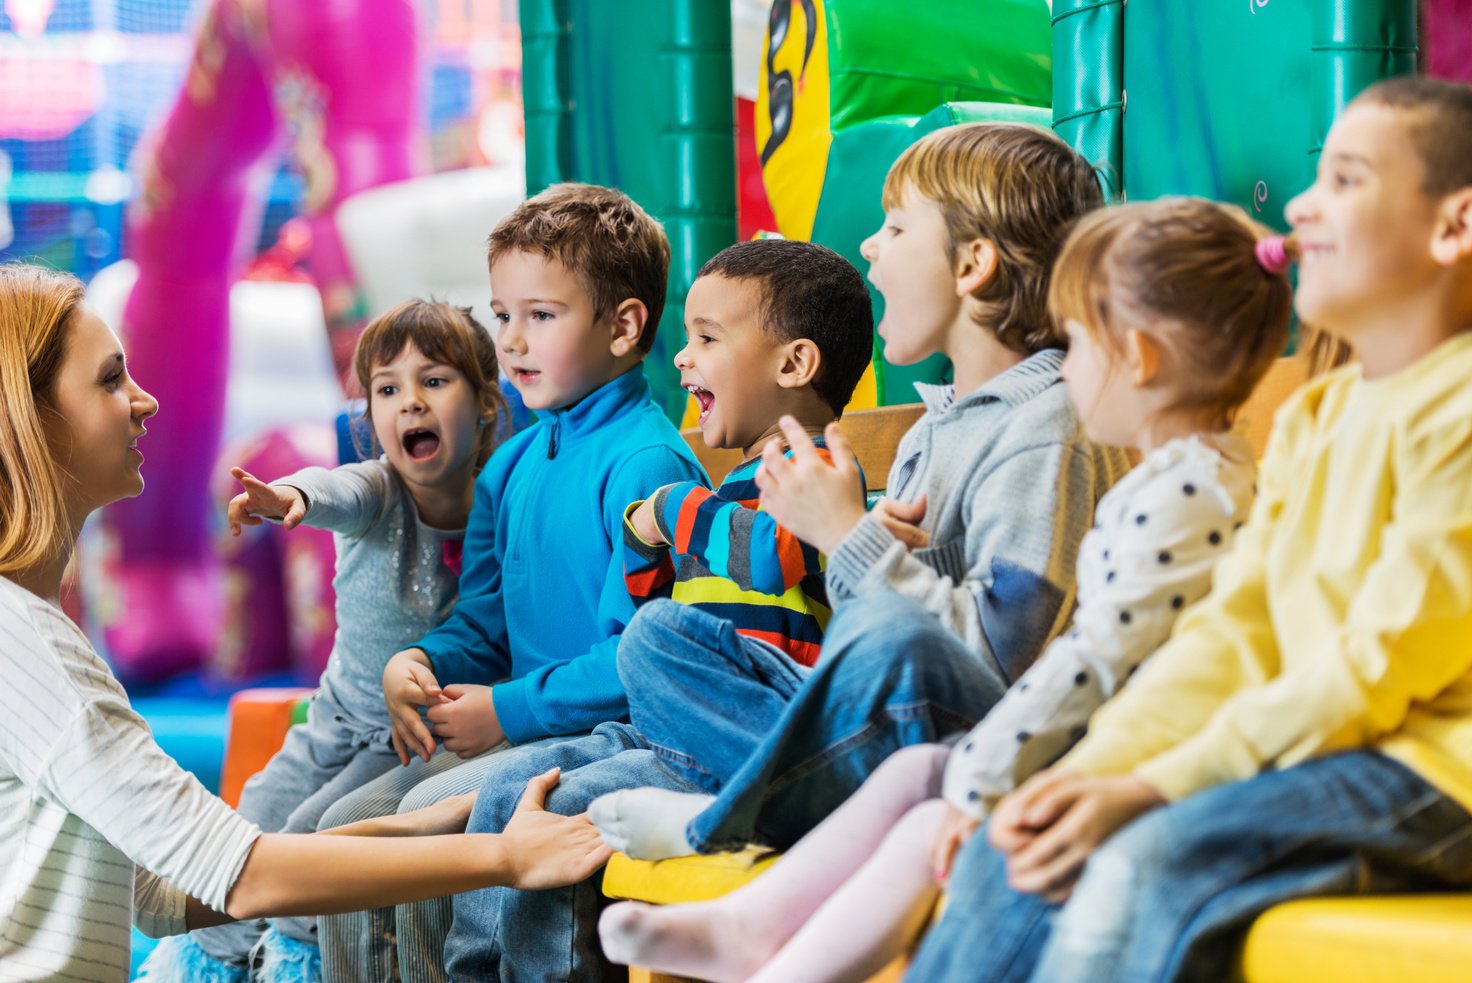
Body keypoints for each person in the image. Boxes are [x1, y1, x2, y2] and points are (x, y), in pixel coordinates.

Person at [441, 122, 1127, 983]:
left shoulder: (1046, 429)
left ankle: (741, 807)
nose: (871, 246)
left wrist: (848, 534)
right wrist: (861, 548)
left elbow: (990, 659)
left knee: (869, 647)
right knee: (650, 645)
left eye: (897, 226)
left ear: (973, 265)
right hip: (848, 721)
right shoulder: (935, 427)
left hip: (960, 739)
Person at [596, 196, 1293, 983]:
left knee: (896, 672)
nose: (1069, 365)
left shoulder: (1161, 480)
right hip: (1025, 729)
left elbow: (1062, 661)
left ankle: (724, 823)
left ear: (1140, 358)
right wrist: (888, 549)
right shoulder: (1138, 474)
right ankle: (752, 929)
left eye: (1082, 341)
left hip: (1086, 742)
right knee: (673, 641)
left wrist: (850, 540)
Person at [904, 75, 1472, 983]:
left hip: (1440, 772)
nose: (1300, 204)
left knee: (1139, 859)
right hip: (1332, 744)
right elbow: (1233, 630)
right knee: (1022, 843)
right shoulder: (1322, 413)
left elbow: (1382, 654)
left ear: (1455, 225)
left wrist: (1152, 785)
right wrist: (1080, 772)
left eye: (1347, 180)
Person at [0, 262, 611, 983]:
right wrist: (508, 853)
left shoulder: (33, 630)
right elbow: (240, 873)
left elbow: (160, 890)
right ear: (31, 419)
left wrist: (448, 816)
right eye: (109, 379)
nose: (145, 400)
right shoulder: (26, 644)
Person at [310, 182, 706, 980]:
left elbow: (640, 659)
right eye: (502, 315)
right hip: (523, 726)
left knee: (426, 821)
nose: (513, 341)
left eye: (542, 315)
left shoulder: (647, 464)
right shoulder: (513, 466)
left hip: (606, 737)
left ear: (625, 327)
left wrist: (505, 709)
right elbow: (483, 621)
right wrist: (420, 663)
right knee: (341, 832)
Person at [136, 299, 506, 979]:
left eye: (435, 381)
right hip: (334, 720)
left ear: (485, 403)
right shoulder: (379, 488)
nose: (410, 403)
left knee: (312, 835)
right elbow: (333, 488)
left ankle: (295, 960)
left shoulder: (498, 505)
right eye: (388, 389)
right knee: (249, 828)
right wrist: (290, 499)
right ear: (370, 416)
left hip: (405, 738)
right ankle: (204, 963)